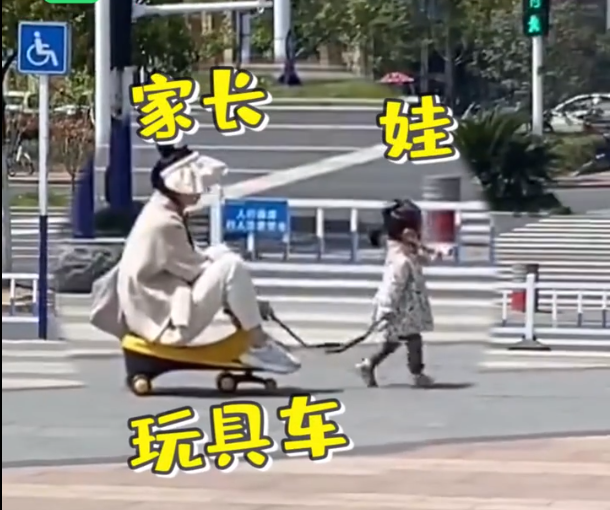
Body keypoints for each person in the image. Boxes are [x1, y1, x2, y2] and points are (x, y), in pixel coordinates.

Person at [115, 144, 300, 374]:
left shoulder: (160, 209)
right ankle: (257, 342)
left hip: (155, 309)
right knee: (231, 268)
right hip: (163, 323)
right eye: (195, 186)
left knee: (222, 255)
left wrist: (246, 298)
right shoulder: (165, 223)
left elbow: (192, 260)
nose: (200, 191)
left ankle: (249, 328)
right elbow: (195, 269)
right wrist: (247, 299)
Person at [356, 199, 436, 388]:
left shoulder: (408, 253)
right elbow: (392, 286)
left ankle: (369, 364)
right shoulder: (401, 260)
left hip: (406, 310)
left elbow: (428, 259)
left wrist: (419, 246)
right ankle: (417, 374)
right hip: (400, 310)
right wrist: (387, 308)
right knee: (414, 339)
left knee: (393, 342)